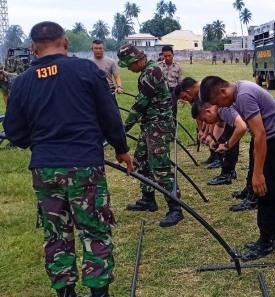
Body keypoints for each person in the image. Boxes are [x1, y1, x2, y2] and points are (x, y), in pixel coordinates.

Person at [3, 21, 133, 297]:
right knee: (95, 229)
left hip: (45, 169)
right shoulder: (85, 70)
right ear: (65, 43)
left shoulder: (23, 82)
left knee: (56, 234)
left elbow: (14, 132)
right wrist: (121, 149)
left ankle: (66, 292)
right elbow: (110, 115)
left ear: (34, 49)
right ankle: (99, 292)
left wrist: (38, 144)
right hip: (84, 165)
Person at [199, 76, 275, 261]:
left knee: (269, 191)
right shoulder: (238, 91)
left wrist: (258, 173)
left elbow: (260, 134)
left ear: (222, 92)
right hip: (273, 140)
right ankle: (267, 237)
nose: (219, 107)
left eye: (217, 103)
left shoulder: (244, 95)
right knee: (265, 192)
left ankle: (268, 241)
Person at [118, 43, 184, 227]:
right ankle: (148, 198)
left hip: (159, 126)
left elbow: (140, 104)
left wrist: (124, 128)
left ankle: (175, 208)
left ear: (136, 60)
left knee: (160, 166)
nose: (129, 69)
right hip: (149, 125)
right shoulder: (148, 71)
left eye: (129, 65)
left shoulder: (151, 72)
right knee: (142, 161)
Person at [158, 45, 182, 118]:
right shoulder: (158, 66)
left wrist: (181, 95)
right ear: (162, 55)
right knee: (161, 112)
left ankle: (173, 128)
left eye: (169, 55)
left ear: (173, 55)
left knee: (173, 112)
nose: (167, 58)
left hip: (173, 91)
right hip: (162, 91)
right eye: (165, 56)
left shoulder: (178, 66)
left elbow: (180, 82)